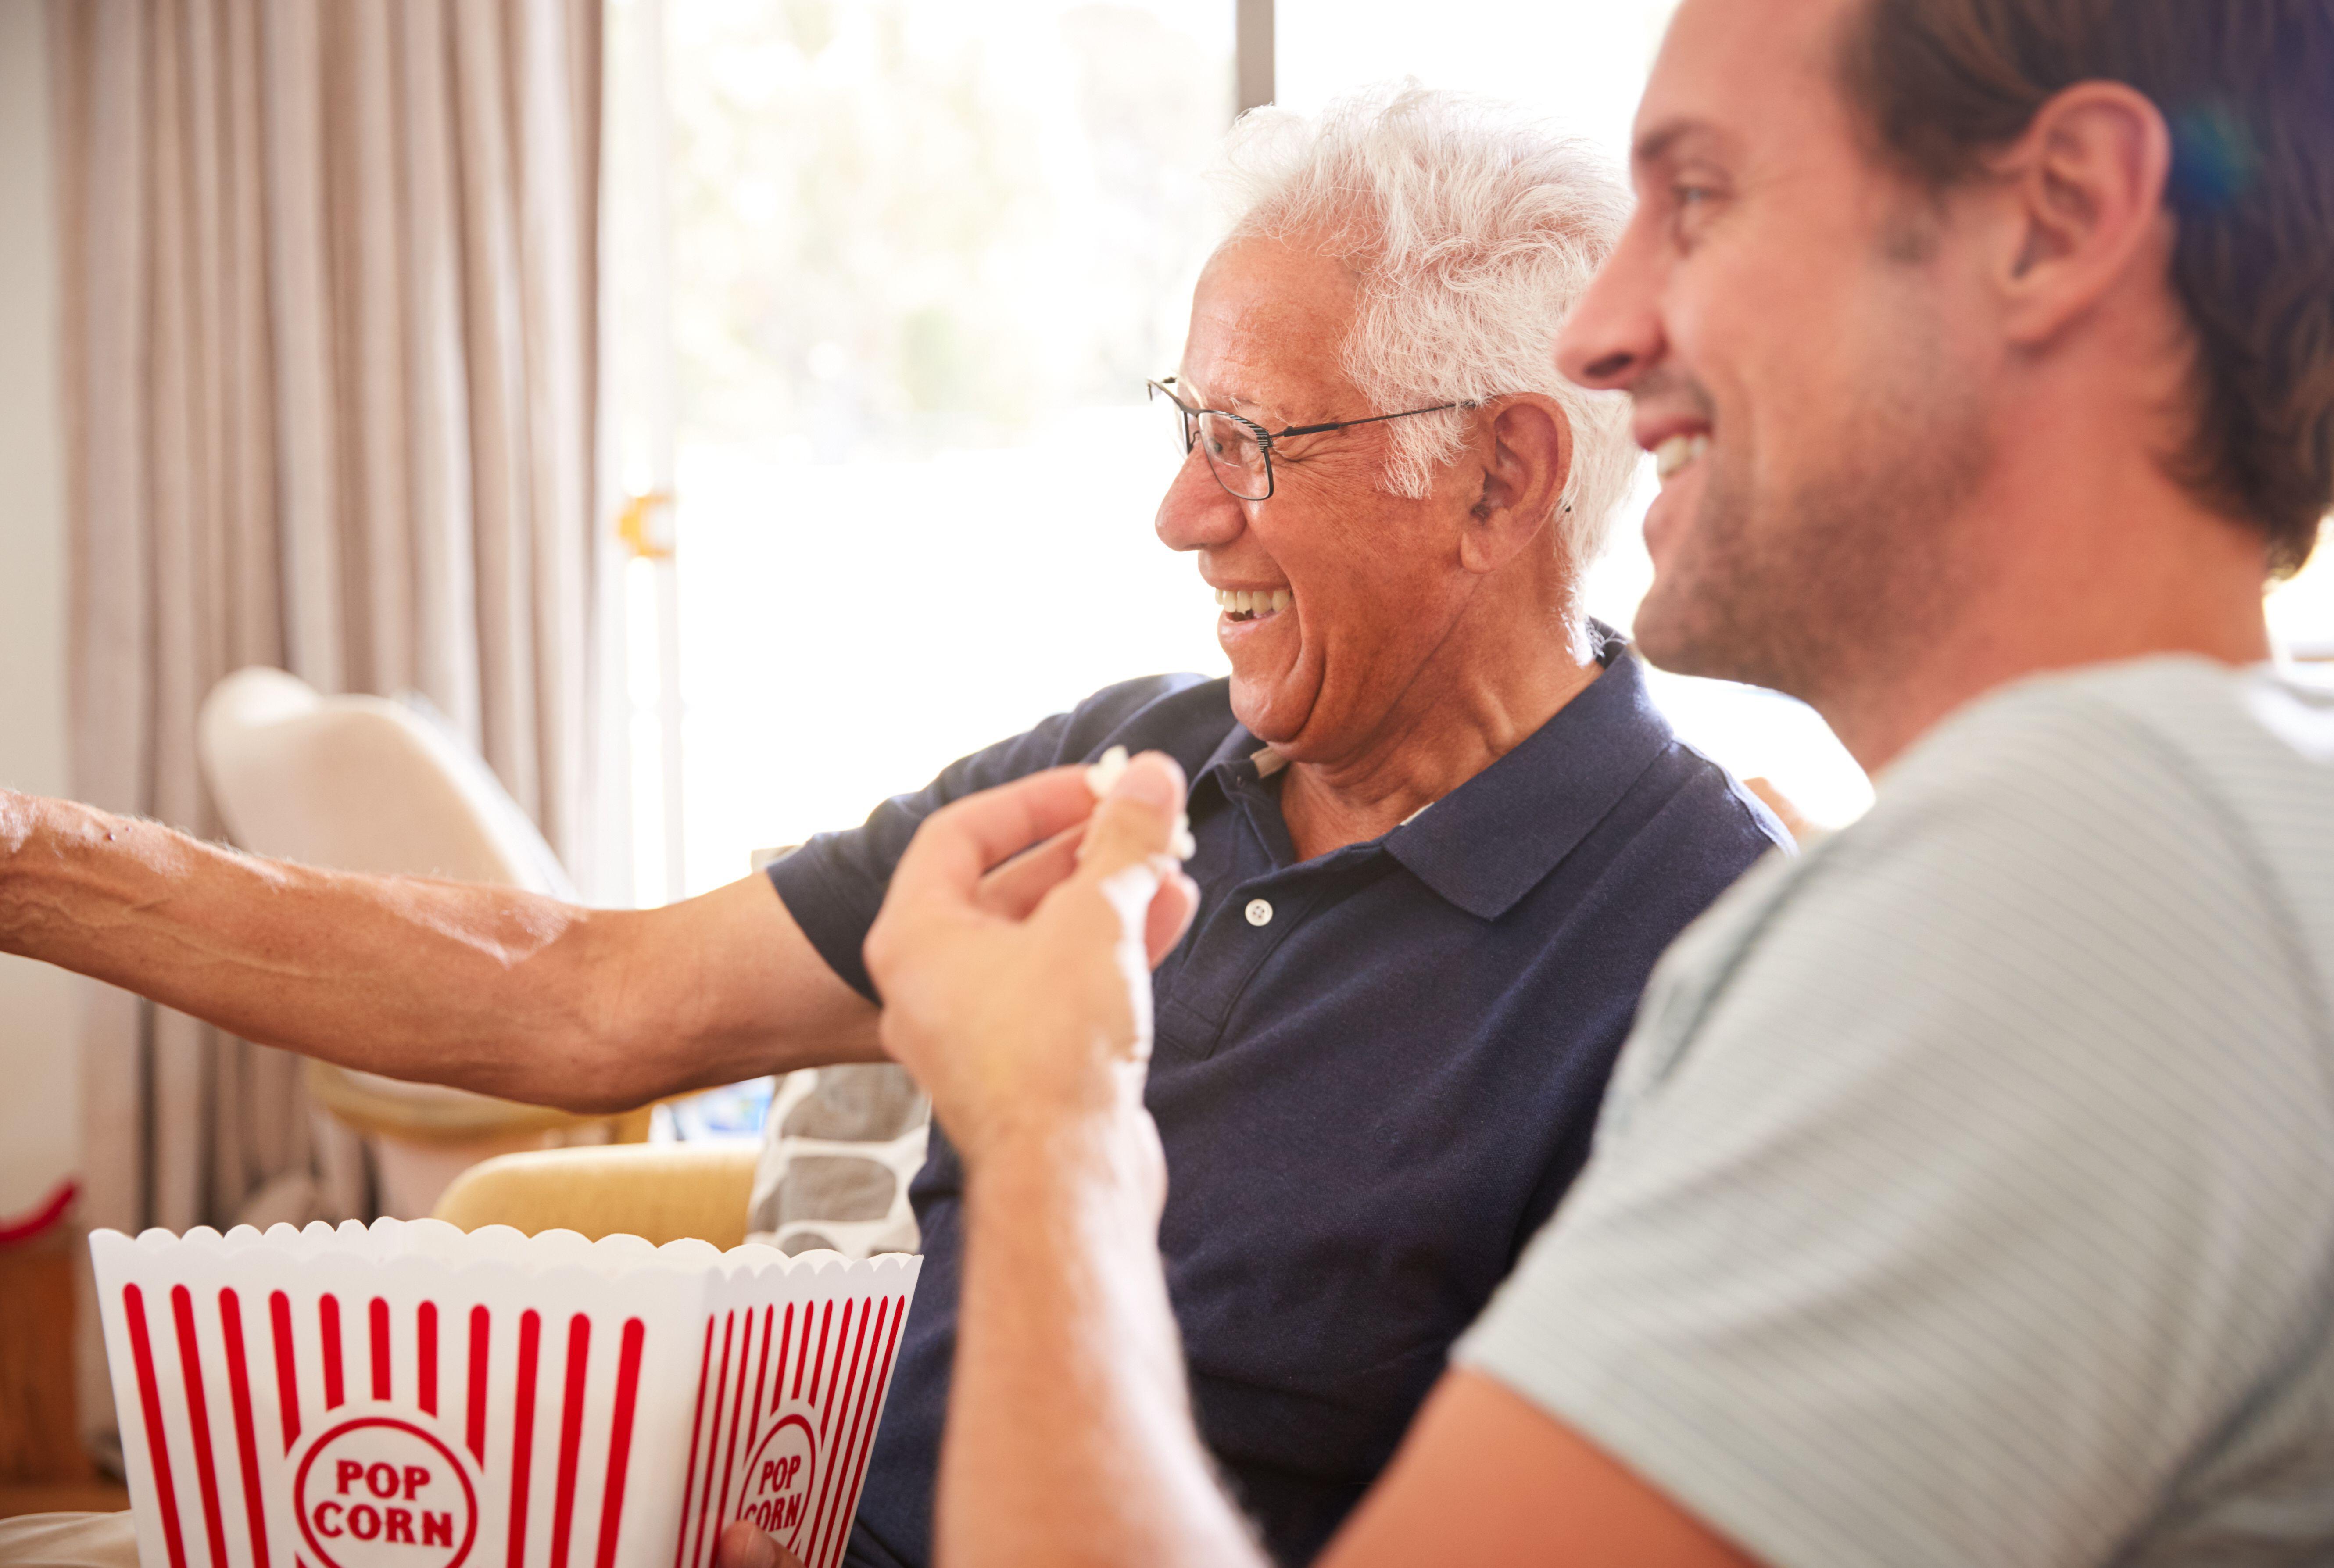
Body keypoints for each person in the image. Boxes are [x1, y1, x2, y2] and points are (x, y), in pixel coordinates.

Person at [0, 89, 1785, 1568]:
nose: (1178, 513)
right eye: (1187, 425)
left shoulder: (1710, 958)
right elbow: (578, 998)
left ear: (1499, 474)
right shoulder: (1123, 773)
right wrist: (26, 861)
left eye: (1252, 442)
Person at [750, 1, 2334, 1566]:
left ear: (2056, 219)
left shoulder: (2051, 912)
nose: (1600, 333)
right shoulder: (2225, 837)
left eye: (1701, 201)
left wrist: (1052, 1122)